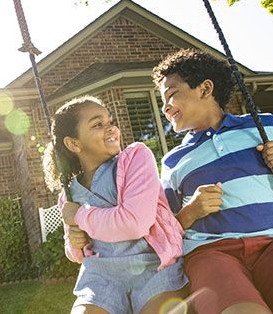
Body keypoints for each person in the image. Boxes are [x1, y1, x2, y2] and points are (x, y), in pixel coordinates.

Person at [153, 48, 273, 314]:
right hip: (211, 253)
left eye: (171, 95)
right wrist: (192, 210)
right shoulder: (173, 161)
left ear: (205, 89)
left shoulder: (264, 126)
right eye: (162, 101)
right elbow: (168, 231)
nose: (165, 107)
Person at [42, 95, 189, 314]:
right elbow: (76, 254)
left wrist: (81, 216)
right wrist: (73, 242)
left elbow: (135, 223)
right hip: (101, 278)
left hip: (153, 267)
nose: (111, 128)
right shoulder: (69, 194)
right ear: (74, 143)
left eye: (110, 122)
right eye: (98, 125)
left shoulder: (135, 159)